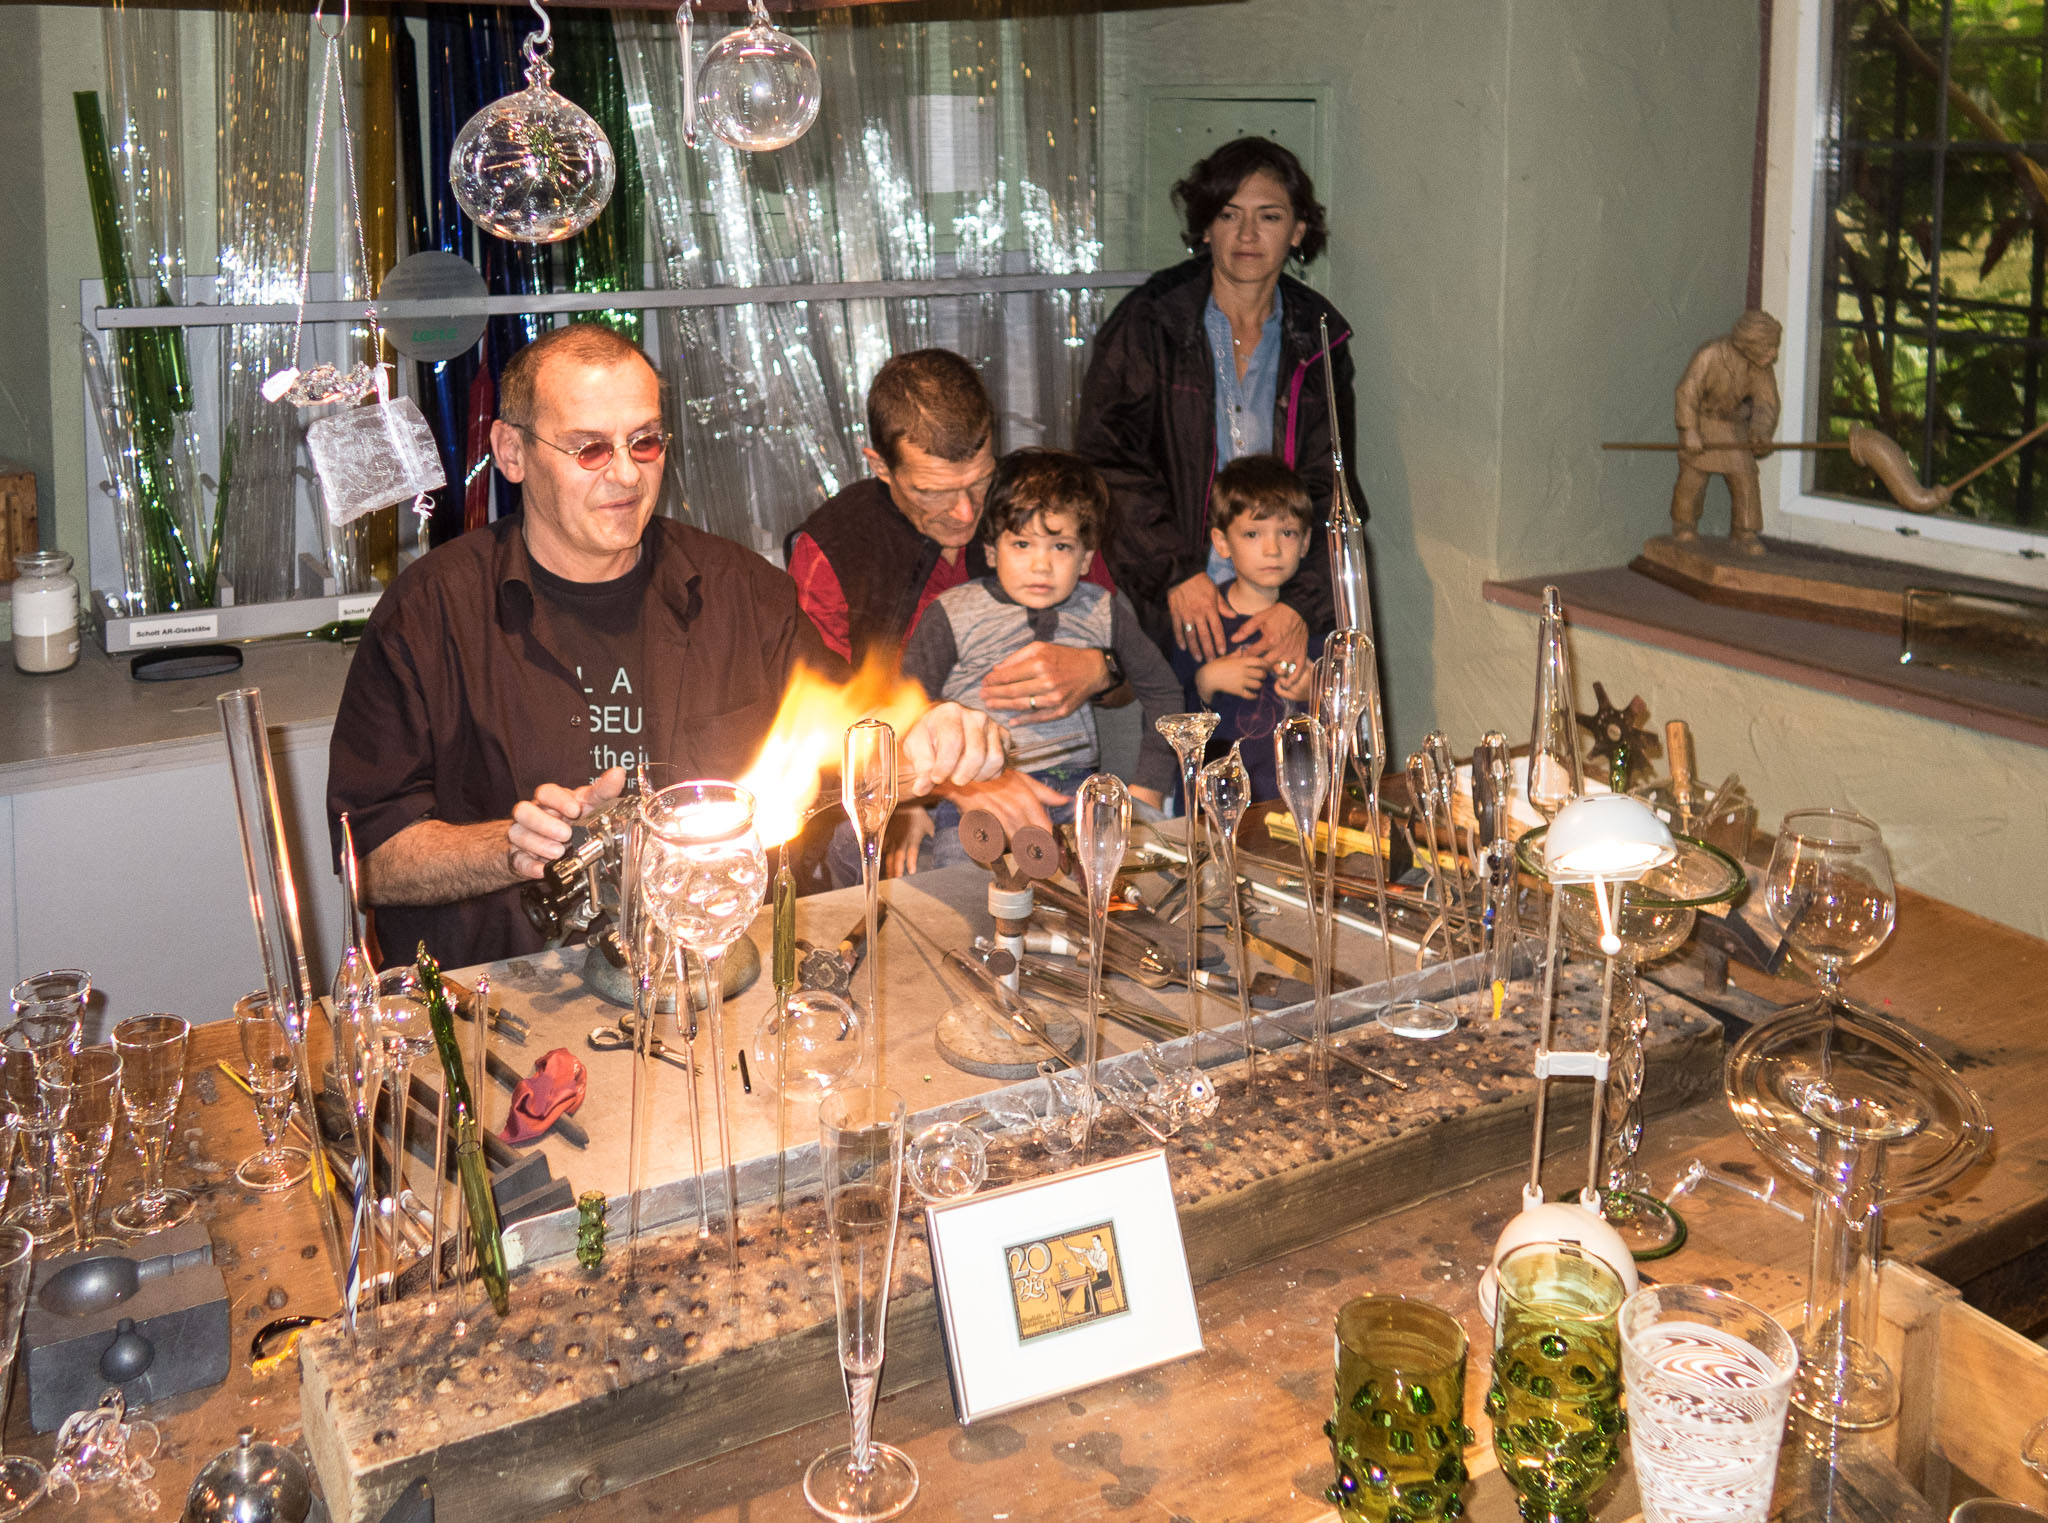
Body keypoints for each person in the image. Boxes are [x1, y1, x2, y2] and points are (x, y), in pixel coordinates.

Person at [327, 322, 1005, 970]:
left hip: (717, 979)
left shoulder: (742, 593)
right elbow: (371, 860)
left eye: (644, 442)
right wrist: (508, 847)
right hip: (508, 996)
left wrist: (918, 736)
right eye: (590, 448)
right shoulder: (430, 614)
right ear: (512, 452)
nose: (626, 474)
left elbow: (844, 735)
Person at [789, 348, 1126, 843]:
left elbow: (1131, 678)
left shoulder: (1041, 510)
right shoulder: (834, 548)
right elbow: (821, 725)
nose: (966, 513)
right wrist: (944, 784)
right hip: (902, 797)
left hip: (1061, 777)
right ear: (880, 465)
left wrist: (1102, 669)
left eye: (980, 481)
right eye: (933, 492)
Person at [1077, 135, 1366, 675]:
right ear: (1206, 226)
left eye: (1269, 216)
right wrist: (1176, 575)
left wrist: (1298, 605)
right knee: (1186, 726)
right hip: (1181, 602)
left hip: (1282, 604)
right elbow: (1108, 463)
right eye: (1229, 214)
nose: (1248, 234)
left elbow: (1330, 488)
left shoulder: (1320, 336)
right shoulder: (1149, 321)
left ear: (1298, 230)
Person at [887, 449, 1182, 873]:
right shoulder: (950, 612)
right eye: (1022, 544)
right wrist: (912, 804)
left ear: (1085, 558)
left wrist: (1149, 787)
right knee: (963, 879)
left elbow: (1165, 693)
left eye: (1060, 546)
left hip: (1080, 790)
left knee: (1130, 877)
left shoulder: (1104, 610)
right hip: (979, 792)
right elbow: (905, 710)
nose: (1041, 565)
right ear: (992, 551)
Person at [1169, 456, 1320, 802]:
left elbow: (1345, 725)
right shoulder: (1201, 621)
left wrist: (1314, 692)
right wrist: (1205, 683)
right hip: (1215, 804)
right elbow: (1170, 716)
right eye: (1253, 534)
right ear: (1222, 542)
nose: (1272, 549)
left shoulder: (1313, 623)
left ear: (1306, 542)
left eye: (1287, 533)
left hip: (1297, 803)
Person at [1669, 309, 1782, 554]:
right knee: (1693, 479)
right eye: (1769, 346)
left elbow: (1766, 405)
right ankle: (1684, 524)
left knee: (1745, 477)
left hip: (1733, 426)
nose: (1774, 354)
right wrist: (1689, 430)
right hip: (1703, 422)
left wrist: (1760, 433)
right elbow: (1687, 392)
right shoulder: (1710, 355)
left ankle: (1745, 532)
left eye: (1775, 347)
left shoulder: (1760, 368)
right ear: (1750, 343)